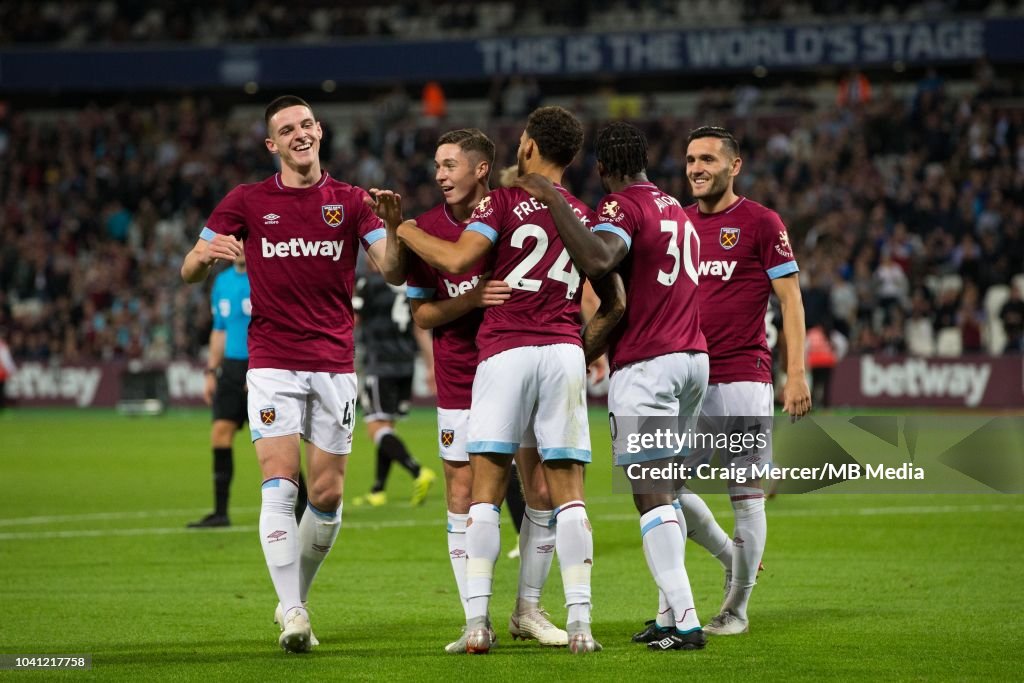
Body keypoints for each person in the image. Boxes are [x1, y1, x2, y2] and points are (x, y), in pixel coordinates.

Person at [180, 95, 403, 653]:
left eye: (306, 124)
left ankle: (290, 599)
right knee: (280, 486)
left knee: (326, 498)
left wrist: (394, 229)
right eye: (287, 129)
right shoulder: (248, 201)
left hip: (333, 364)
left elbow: (393, 271)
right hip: (272, 362)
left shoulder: (351, 202)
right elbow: (187, 269)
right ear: (271, 144)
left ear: (320, 131)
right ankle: (296, 613)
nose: (299, 134)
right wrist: (207, 254)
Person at [396, 108, 611, 654]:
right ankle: (581, 623)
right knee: (569, 497)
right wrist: (586, 347)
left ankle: (476, 623)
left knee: (484, 496)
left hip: (506, 352)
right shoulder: (582, 214)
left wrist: (403, 230)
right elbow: (608, 296)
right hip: (563, 352)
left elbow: (456, 256)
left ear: (532, 147)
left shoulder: (504, 201)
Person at [515, 121, 709, 651]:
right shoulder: (674, 207)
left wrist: (553, 200)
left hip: (649, 365)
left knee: (651, 496)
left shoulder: (621, 206)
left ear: (602, 169)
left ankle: (687, 623)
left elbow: (599, 259)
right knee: (666, 491)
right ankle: (668, 616)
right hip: (693, 359)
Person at [678, 125, 811, 636]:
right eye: (691, 159)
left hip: (741, 376)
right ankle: (731, 559)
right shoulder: (679, 223)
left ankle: (735, 610)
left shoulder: (759, 222)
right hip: (686, 379)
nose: (697, 168)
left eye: (708, 159)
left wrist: (794, 374)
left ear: (734, 166)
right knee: (658, 484)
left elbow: (791, 299)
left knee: (745, 493)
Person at [188, 249, 309, 529]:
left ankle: (303, 501)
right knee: (220, 433)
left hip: (262, 365)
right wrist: (210, 371)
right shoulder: (222, 282)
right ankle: (220, 512)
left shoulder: (265, 276)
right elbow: (219, 329)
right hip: (230, 368)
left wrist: (261, 368)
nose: (242, 245)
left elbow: (280, 324)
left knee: (275, 439)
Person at [350, 261, 436, 507]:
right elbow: (421, 329)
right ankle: (378, 490)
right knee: (387, 426)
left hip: (380, 363)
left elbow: (353, 320)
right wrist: (431, 366)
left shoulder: (368, 283)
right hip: (406, 363)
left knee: (376, 428)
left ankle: (417, 470)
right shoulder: (408, 284)